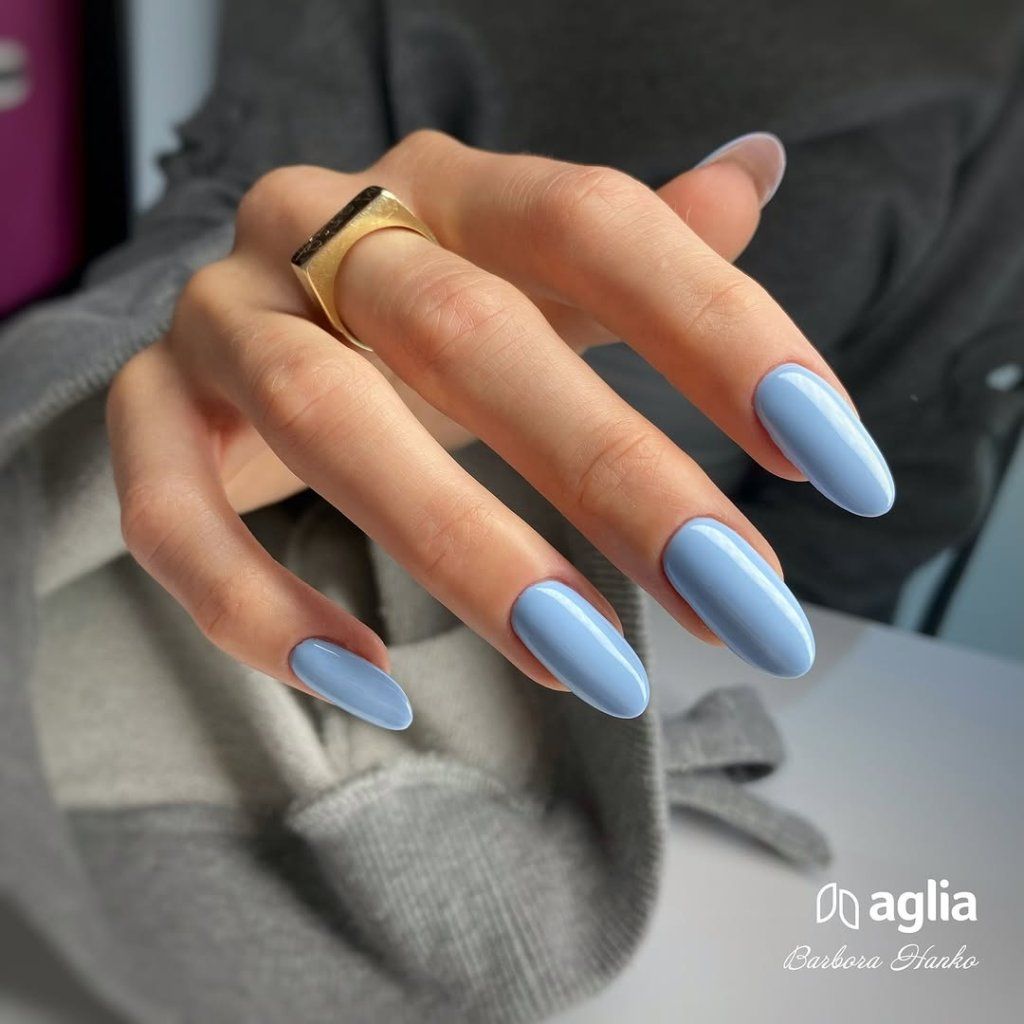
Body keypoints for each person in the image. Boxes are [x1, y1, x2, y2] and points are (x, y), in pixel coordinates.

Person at [2, 2, 1022, 1020]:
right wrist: (221, 342)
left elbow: (895, 480)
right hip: (267, 566)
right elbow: (223, 218)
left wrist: (719, 634)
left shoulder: (985, 57)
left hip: (725, 709)